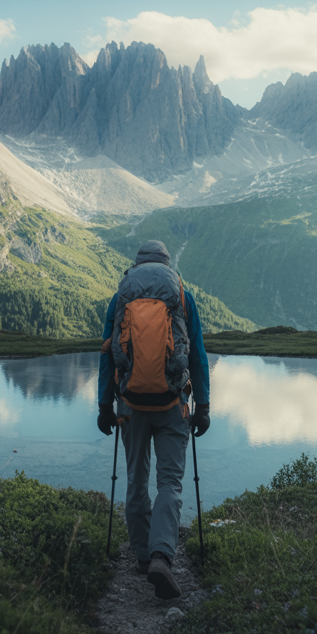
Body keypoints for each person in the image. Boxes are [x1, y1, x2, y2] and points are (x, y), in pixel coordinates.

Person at [97, 240, 210, 600]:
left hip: (130, 405)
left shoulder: (121, 299)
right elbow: (197, 354)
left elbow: (107, 357)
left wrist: (104, 406)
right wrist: (203, 405)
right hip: (172, 403)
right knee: (171, 483)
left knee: (135, 481)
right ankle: (163, 554)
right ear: (166, 263)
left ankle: (144, 558)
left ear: (137, 265)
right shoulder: (181, 295)